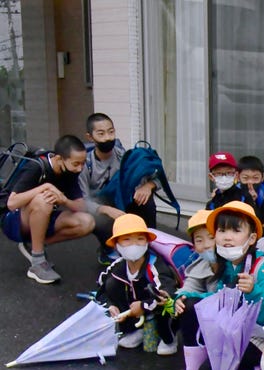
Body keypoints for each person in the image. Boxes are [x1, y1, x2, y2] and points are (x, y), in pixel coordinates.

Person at [170, 201, 264, 370]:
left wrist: (254, 291)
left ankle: (260, 369)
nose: (227, 237)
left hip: (261, 340)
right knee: (189, 305)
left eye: (236, 231)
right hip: (235, 332)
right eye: (221, 230)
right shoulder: (228, 265)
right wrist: (188, 298)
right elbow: (220, 298)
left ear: (252, 238)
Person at [2, 134, 94, 284]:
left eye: (83, 163)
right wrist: (45, 187)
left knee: (87, 222)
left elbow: (81, 207)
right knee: (44, 198)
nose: (80, 168)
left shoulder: (70, 172)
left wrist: (65, 200)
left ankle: (34, 245)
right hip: (14, 220)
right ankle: (37, 263)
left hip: (42, 216)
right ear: (59, 159)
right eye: (76, 163)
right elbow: (12, 203)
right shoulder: (36, 167)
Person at [80, 113, 158, 262]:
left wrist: (148, 186)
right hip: (102, 206)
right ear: (90, 137)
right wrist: (106, 209)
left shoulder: (125, 156)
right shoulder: (85, 164)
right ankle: (108, 248)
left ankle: (151, 244)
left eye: (111, 131)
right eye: (101, 133)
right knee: (98, 214)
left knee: (146, 201)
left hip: (125, 201)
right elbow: (82, 201)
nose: (108, 138)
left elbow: (156, 177)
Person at [96, 214, 179, 355]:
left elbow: (167, 295)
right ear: (116, 245)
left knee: (166, 307)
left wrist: (143, 306)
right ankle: (135, 330)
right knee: (112, 285)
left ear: (147, 242)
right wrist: (110, 306)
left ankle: (169, 338)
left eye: (140, 239)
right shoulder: (117, 267)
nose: (134, 245)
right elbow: (101, 292)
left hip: (155, 306)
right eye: (127, 240)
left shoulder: (155, 265)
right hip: (135, 308)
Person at [229, 155, 264, 234]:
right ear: (238, 177)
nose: (250, 182)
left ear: (262, 178)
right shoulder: (232, 192)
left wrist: (254, 203)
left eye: (255, 178)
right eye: (245, 178)